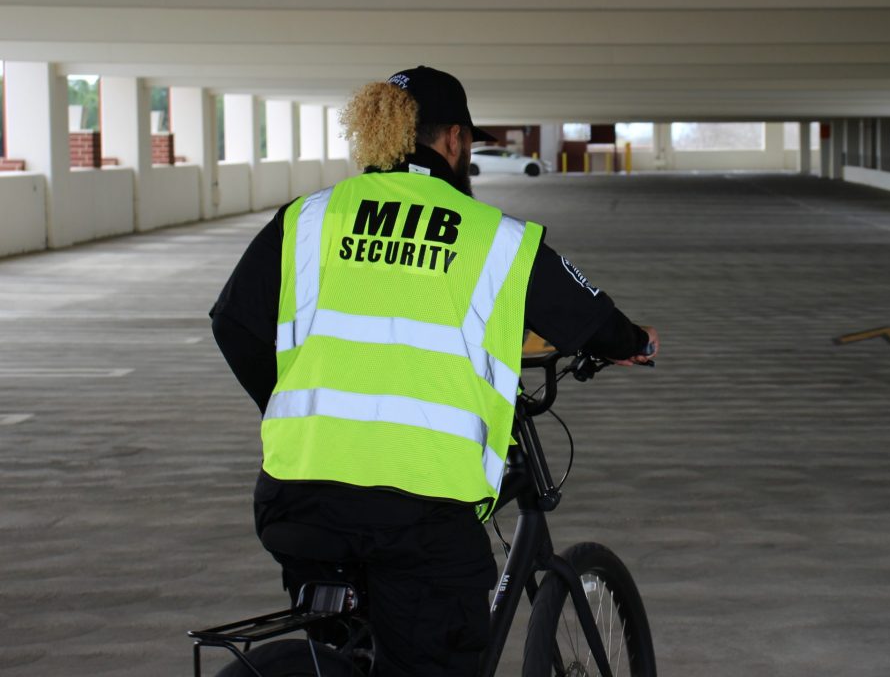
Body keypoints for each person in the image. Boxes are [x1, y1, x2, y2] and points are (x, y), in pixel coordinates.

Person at [210, 65, 657, 677]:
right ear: (454, 142)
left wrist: (296, 409)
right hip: (418, 516)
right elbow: (590, 315)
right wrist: (633, 341)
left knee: (345, 646)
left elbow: (234, 323)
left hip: (297, 498)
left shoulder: (307, 218)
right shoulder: (492, 237)